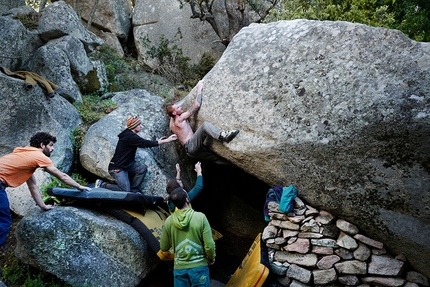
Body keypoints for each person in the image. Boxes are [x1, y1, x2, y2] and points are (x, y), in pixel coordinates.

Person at [0, 132, 92, 246]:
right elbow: (61, 176)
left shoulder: (24, 154)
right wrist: (79, 186)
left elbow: (32, 186)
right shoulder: (39, 156)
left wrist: (43, 206)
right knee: (3, 221)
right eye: (51, 145)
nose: (53, 149)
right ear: (42, 145)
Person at [95, 115, 177, 193]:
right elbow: (145, 143)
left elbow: (143, 142)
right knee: (125, 190)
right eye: (139, 124)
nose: (141, 126)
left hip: (126, 166)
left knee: (142, 169)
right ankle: (103, 185)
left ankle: (133, 190)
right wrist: (166, 140)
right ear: (134, 126)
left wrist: (158, 141)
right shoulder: (130, 137)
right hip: (118, 168)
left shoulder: (129, 134)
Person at [166, 80, 239, 164]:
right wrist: (199, 88)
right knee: (204, 126)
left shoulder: (172, 124)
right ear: (174, 113)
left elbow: (171, 118)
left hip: (190, 152)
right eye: (178, 108)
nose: (180, 107)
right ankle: (223, 135)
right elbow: (196, 105)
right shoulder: (180, 118)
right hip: (191, 145)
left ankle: (232, 165)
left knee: (216, 159)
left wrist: (172, 110)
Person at [160, 187, 216, 287]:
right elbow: (210, 245)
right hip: (199, 268)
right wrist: (211, 257)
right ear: (187, 199)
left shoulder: (169, 221)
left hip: (179, 269)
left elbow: (164, 247)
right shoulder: (200, 217)